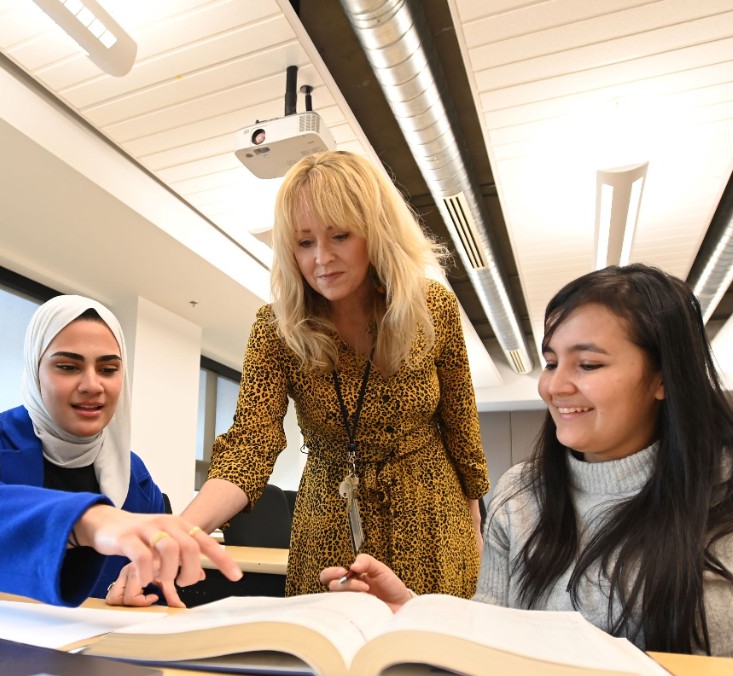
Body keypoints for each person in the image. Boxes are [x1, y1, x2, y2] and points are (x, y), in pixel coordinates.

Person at [321, 264, 733, 673]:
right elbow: (499, 638)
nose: (556, 386)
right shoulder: (521, 497)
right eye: (552, 361)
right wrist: (418, 611)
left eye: (588, 365)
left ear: (664, 377)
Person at [106, 150, 488, 602]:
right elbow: (250, 445)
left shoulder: (432, 309)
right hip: (328, 520)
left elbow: (462, 429)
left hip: (431, 515)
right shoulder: (277, 329)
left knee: (427, 657)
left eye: (340, 236)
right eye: (305, 243)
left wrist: (473, 529)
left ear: (376, 232)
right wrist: (170, 540)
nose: (322, 258)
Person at [0, 295, 239, 608]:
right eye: (67, 366)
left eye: (108, 369)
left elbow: (150, 590)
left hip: (86, 657)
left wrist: (132, 596)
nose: (93, 385)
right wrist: (86, 521)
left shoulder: (132, 475)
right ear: (35, 371)